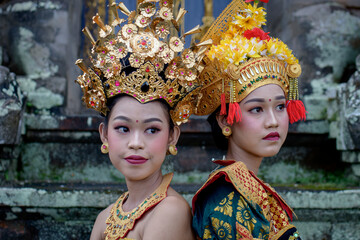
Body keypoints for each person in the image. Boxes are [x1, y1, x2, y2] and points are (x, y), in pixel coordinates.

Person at [75, 1, 209, 239]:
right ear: (104, 134)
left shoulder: (169, 211)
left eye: (152, 130)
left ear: (172, 135)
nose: (136, 143)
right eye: (123, 128)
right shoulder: (105, 218)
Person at [191, 0, 306, 239]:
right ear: (225, 121)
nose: (273, 121)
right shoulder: (226, 202)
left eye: (281, 106)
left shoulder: (247, 189)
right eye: (256, 109)